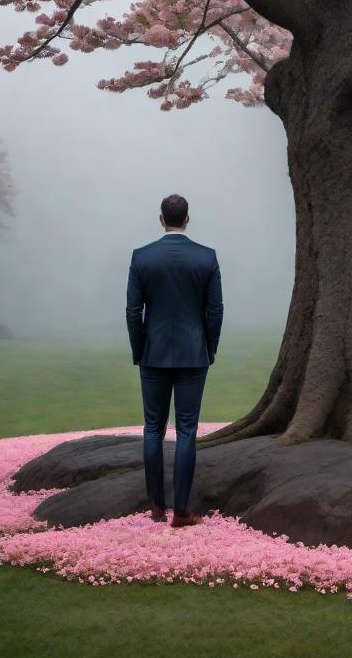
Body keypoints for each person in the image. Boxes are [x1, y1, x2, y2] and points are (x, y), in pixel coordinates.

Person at [125, 194, 223, 527]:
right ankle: (181, 511)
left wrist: (139, 350)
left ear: (161, 219)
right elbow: (215, 310)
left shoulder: (142, 258)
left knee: (152, 429)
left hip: (153, 354)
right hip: (193, 355)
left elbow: (132, 311)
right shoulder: (206, 258)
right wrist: (209, 348)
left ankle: (156, 507)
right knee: (186, 431)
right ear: (187, 219)